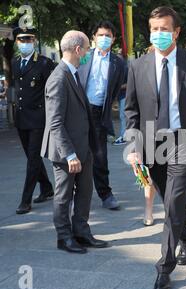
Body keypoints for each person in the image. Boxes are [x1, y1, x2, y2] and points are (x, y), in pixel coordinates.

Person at [125, 6, 186, 289]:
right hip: (152, 143)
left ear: (176, 32)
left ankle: (164, 267)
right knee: (170, 202)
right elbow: (131, 110)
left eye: (164, 29)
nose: (158, 34)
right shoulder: (138, 65)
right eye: (154, 29)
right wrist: (133, 146)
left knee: (175, 200)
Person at [41, 30, 108, 254]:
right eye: (88, 48)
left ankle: (81, 231)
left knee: (85, 191)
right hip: (66, 152)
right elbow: (55, 123)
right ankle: (64, 236)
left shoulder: (74, 73)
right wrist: (69, 154)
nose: (89, 53)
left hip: (83, 147)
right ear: (78, 50)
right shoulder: (58, 78)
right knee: (64, 195)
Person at [78, 20, 126, 210]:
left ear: (113, 39)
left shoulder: (118, 63)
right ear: (93, 38)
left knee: (99, 156)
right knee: (77, 153)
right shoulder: (83, 57)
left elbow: (118, 90)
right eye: (101, 35)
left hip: (99, 113)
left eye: (108, 35)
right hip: (80, 111)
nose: (104, 39)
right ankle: (77, 194)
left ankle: (105, 194)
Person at [11, 27, 54, 215]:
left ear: (34, 42)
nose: (25, 43)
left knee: (33, 159)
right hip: (21, 118)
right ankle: (46, 188)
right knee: (31, 157)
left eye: (28, 40)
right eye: (21, 40)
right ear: (16, 42)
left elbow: (52, 91)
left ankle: (25, 200)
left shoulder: (44, 63)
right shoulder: (15, 62)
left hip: (38, 118)